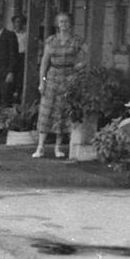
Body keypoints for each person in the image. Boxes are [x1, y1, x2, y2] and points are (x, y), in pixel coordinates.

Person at [33, 12, 85, 159]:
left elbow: (85, 58)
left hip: (68, 78)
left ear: (70, 24)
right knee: (46, 111)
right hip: (52, 77)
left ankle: (58, 147)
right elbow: (44, 62)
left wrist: (78, 66)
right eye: (61, 22)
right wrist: (41, 81)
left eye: (66, 22)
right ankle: (40, 147)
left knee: (62, 112)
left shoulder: (76, 41)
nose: (64, 25)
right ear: (57, 24)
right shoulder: (51, 41)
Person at [11, 15, 28, 101]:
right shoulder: (11, 34)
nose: (18, 24)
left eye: (20, 22)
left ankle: (18, 93)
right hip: (12, 56)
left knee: (20, 76)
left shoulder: (26, 35)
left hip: (22, 57)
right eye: (16, 22)